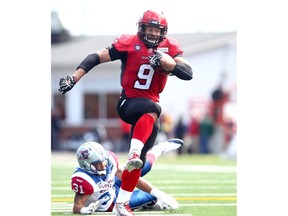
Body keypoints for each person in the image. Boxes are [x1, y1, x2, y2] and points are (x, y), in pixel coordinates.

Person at [58, 9, 193, 215]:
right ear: (141, 28)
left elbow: (188, 74)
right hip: (128, 104)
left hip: (149, 113)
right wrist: (74, 78)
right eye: (149, 29)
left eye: (157, 30)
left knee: (137, 166)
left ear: (163, 32)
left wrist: (170, 64)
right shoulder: (128, 43)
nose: (153, 34)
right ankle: (134, 153)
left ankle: (123, 203)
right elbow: (95, 57)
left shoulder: (170, 47)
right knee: (152, 110)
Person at [71, 138, 183, 214]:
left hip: (112, 185)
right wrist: (84, 210)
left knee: (140, 168)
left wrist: (161, 194)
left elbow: (129, 177)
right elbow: (77, 206)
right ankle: (153, 203)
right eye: (97, 164)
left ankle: (158, 149)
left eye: (103, 161)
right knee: (151, 196)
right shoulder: (84, 179)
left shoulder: (109, 161)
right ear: (85, 165)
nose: (103, 166)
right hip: (112, 202)